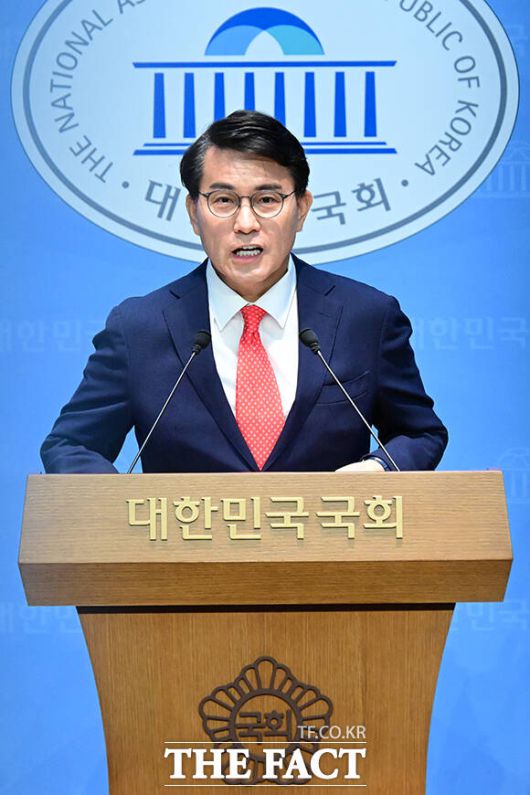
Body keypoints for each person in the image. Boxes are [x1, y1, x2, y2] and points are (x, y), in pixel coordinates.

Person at [41, 110, 447, 474]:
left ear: (302, 209)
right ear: (194, 213)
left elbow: (419, 433)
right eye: (224, 200)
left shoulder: (366, 317)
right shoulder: (139, 329)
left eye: (267, 199)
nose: (246, 223)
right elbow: (71, 445)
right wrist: (121, 508)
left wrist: (378, 469)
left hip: (331, 536)